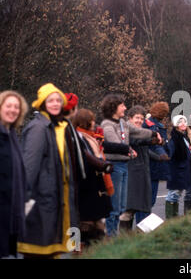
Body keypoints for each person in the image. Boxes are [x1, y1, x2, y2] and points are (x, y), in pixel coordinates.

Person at [18, 83, 79, 258]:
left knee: (52, 249)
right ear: (42, 103)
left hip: (53, 198)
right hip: (40, 200)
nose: (54, 104)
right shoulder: (38, 128)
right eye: (50, 100)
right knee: (38, 250)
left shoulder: (55, 125)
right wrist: (25, 200)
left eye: (57, 100)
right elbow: (29, 167)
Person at [100, 94, 161, 236]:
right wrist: (127, 149)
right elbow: (115, 144)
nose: (125, 107)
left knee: (121, 207)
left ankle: (118, 239)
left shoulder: (123, 124)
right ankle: (111, 238)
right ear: (114, 107)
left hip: (124, 166)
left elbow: (139, 132)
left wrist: (153, 134)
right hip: (115, 166)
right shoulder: (107, 124)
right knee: (116, 208)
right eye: (122, 105)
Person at [72, 109, 115, 248]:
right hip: (87, 187)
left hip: (92, 188)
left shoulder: (89, 137)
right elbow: (87, 158)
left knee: (94, 228)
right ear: (86, 121)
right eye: (92, 120)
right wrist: (103, 165)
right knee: (84, 228)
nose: (94, 122)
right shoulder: (81, 138)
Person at [0, 91, 28, 258]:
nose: (12, 110)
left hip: (12, 211)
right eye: (8, 106)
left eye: (16, 107)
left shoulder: (11, 135)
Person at [126, 105, 164, 225]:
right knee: (131, 208)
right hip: (132, 173)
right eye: (137, 118)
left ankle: (140, 233)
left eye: (141, 119)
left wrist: (158, 157)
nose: (139, 121)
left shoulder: (141, 132)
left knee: (143, 205)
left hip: (143, 171)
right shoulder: (127, 130)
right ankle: (128, 237)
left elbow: (144, 149)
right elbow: (135, 141)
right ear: (130, 118)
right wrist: (152, 138)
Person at [165, 115, 191, 218]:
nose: (183, 124)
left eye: (184, 121)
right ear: (175, 125)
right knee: (173, 194)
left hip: (183, 170)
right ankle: (170, 218)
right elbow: (171, 155)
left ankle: (174, 217)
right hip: (176, 171)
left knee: (177, 194)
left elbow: (187, 153)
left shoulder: (184, 137)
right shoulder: (174, 139)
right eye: (179, 122)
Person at [142, 102, 171, 209]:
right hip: (152, 165)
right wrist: (162, 154)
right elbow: (155, 145)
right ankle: (142, 224)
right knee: (149, 200)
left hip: (154, 165)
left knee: (150, 199)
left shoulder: (156, 125)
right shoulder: (152, 126)